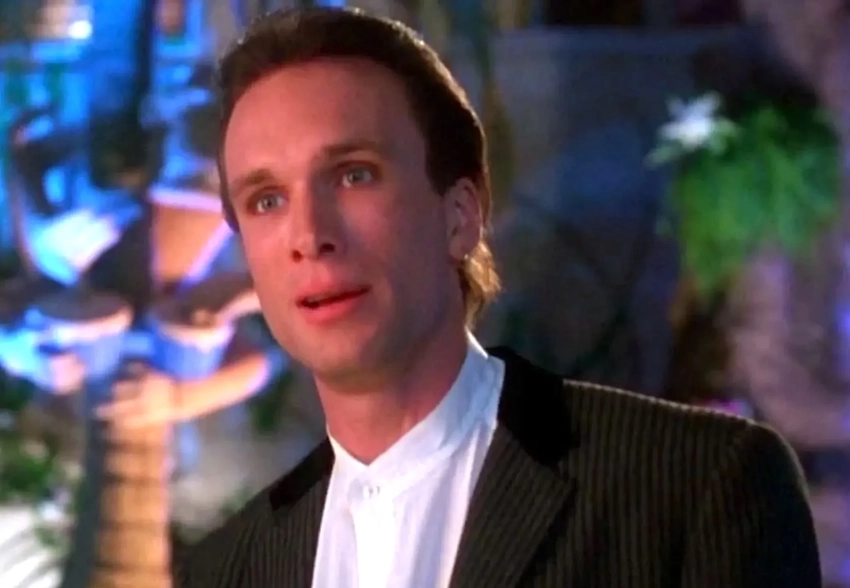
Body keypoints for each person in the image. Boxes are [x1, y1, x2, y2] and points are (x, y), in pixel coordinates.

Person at [177, 7, 821, 587]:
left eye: (353, 174)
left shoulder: (694, 485)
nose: (309, 235)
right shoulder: (227, 571)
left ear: (460, 215)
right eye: (267, 200)